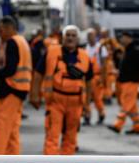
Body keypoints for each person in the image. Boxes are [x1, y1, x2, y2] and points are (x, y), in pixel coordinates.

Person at [32, 25, 94, 154]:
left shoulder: (85, 56)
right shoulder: (51, 52)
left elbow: (89, 82)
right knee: (52, 135)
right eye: (68, 35)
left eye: (73, 35)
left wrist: (87, 105)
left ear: (77, 39)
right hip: (55, 100)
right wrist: (35, 95)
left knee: (71, 137)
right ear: (62, 38)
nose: (70, 38)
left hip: (75, 102)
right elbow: (38, 74)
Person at [0, 15, 31, 156]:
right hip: (18, 92)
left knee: (0, 130)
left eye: (0, 30)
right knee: (12, 132)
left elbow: (9, 70)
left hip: (10, 91)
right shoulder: (21, 41)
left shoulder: (12, 42)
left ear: (8, 28)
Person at [108, 30, 139, 135]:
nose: (121, 39)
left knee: (126, 105)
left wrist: (137, 77)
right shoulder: (127, 50)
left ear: (129, 38)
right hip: (125, 81)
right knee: (132, 107)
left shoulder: (134, 51)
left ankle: (118, 125)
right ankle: (137, 126)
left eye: (123, 37)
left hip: (131, 82)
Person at [83, 28, 107, 125]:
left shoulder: (101, 48)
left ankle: (101, 114)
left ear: (95, 36)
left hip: (96, 77)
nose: (90, 38)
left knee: (97, 99)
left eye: (92, 35)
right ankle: (87, 117)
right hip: (86, 78)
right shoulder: (85, 48)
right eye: (88, 36)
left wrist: (102, 79)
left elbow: (104, 65)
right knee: (86, 98)